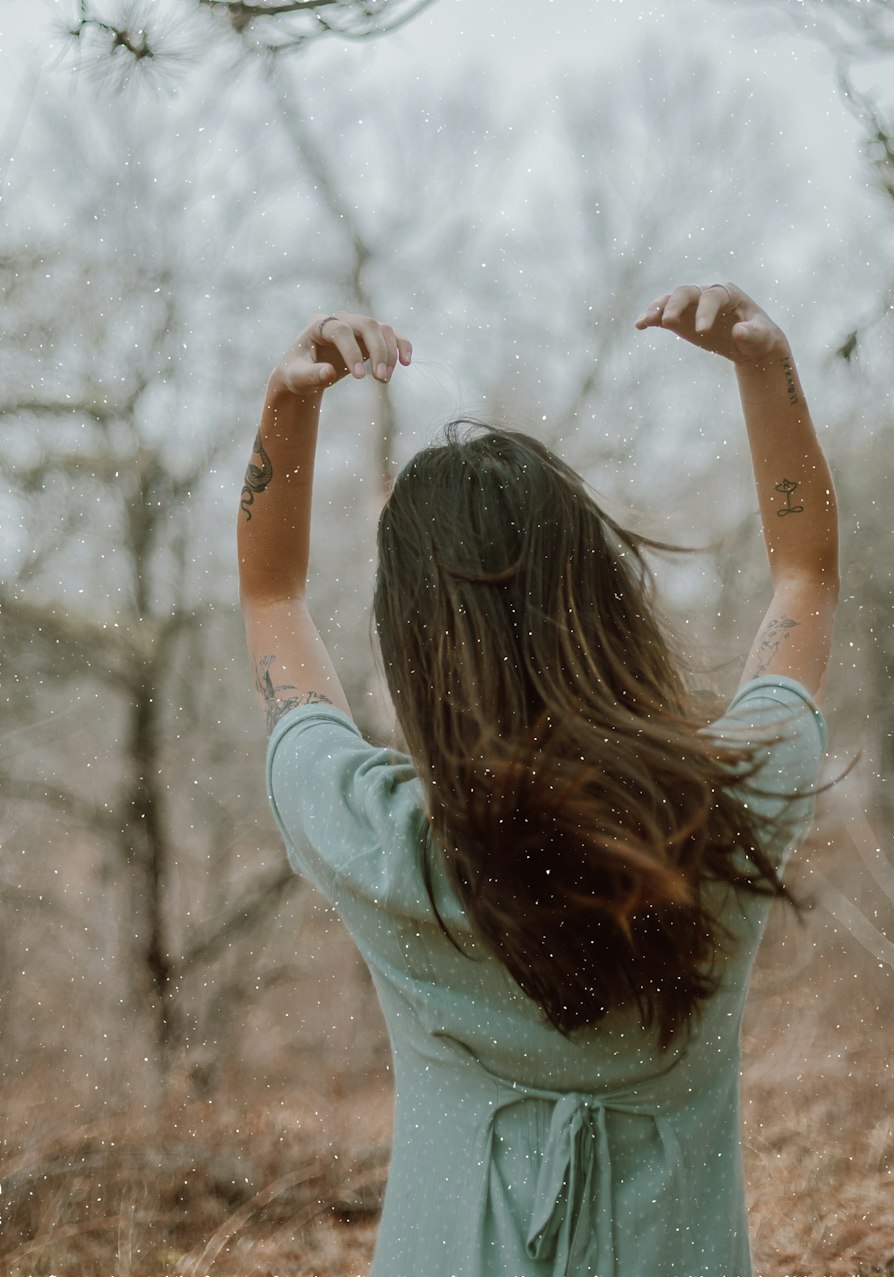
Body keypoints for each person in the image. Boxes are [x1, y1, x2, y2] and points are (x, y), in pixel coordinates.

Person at [237, 282, 839, 1277]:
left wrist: (286, 405)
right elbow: (805, 574)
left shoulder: (383, 846)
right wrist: (764, 369)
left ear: (411, 645)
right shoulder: (725, 818)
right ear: (608, 602)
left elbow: (271, 593)